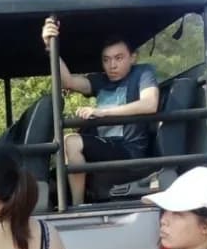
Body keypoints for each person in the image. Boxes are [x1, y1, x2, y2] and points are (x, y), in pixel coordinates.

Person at [41, 17, 159, 206]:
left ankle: (78, 206)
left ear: (133, 57)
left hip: (128, 151)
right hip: (105, 146)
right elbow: (68, 81)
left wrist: (103, 112)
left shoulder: (143, 73)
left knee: (71, 141)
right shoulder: (100, 81)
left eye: (118, 58)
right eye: (106, 60)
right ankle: (72, 201)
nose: (112, 65)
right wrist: (50, 47)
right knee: (66, 143)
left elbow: (150, 104)